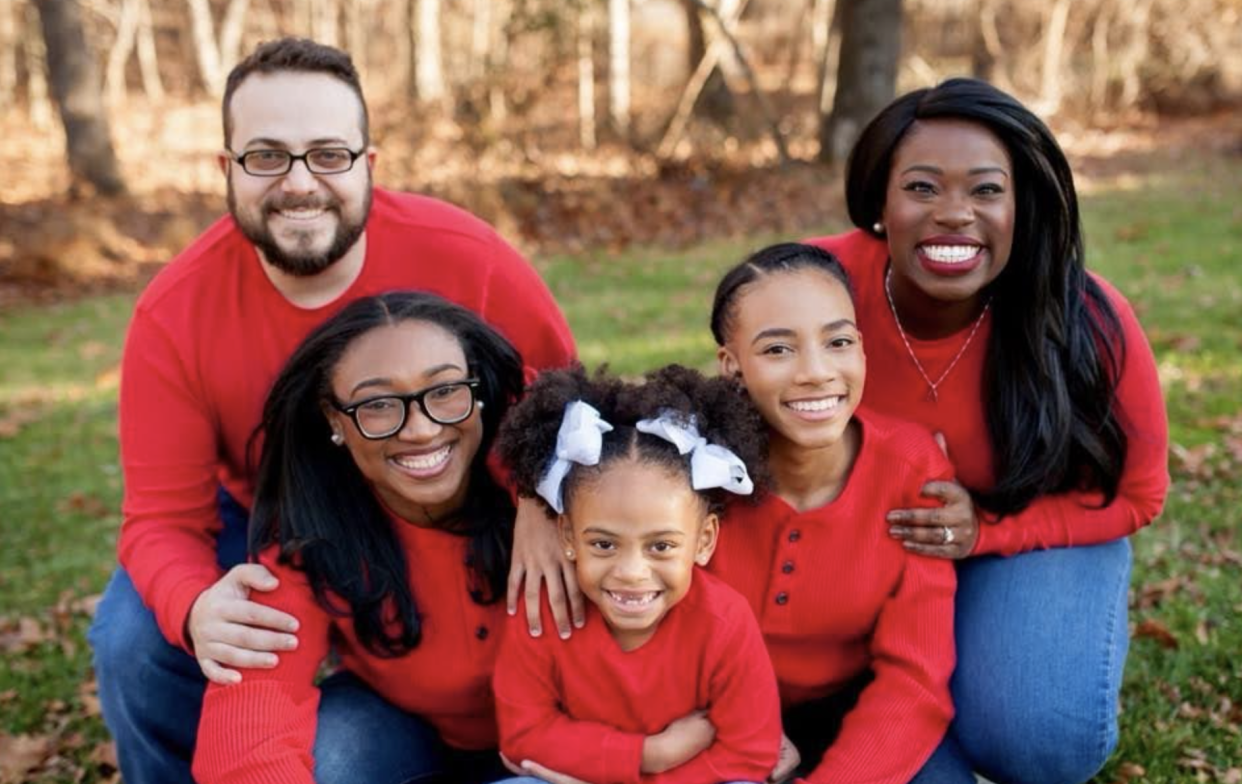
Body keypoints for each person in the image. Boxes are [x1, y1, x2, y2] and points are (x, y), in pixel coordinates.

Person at [88, 37, 575, 784]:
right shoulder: (175, 313)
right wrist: (196, 608)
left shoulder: (466, 257)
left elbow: (567, 406)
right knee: (133, 635)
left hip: (478, 502)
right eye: (266, 157)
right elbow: (160, 519)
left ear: (367, 164)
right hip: (287, 518)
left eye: (327, 154)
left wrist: (545, 495)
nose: (299, 183)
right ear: (227, 170)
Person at [806, 78, 1169, 784]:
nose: (953, 216)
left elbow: (1140, 496)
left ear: (1020, 205)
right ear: (878, 202)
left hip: (1022, 538)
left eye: (985, 191)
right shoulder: (810, 289)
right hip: (863, 555)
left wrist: (987, 532)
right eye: (921, 188)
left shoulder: (1084, 320)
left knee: (1038, 739)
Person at [193, 291, 526, 783]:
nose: (420, 428)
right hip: (404, 732)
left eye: (445, 391)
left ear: (477, 393)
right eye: (378, 405)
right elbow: (251, 724)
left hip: (574, 748)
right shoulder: (314, 536)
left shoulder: (554, 493)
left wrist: (544, 499)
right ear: (334, 420)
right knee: (335, 755)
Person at [707, 242, 973, 784]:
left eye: (839, 342)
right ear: (732, 367)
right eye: (778, 350)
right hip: (707, 719)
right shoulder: (691, 466)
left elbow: (915, 677)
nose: (816, 372)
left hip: (856, 712)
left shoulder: (912, 468)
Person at [492, 365, 783, 784]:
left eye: (660, 546)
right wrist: (649, 755)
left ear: (703, 541)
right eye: (604, 545)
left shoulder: (725, 622)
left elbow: (750, 753)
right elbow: (523, 738)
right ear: (567, 535)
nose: (631, 572)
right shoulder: (544, 610)